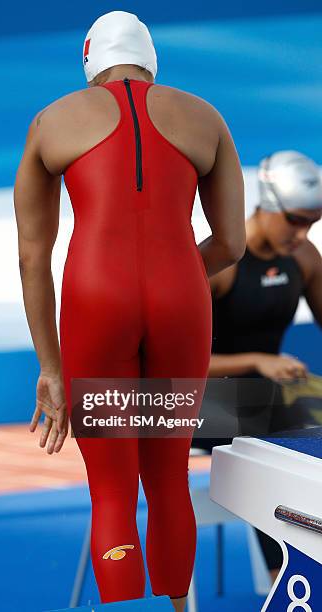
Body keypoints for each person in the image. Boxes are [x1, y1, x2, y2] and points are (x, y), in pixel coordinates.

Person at [13, 10, 245, 611]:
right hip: (179, 296)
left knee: (111, 491)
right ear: (150, 59)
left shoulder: (52, 121)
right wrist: (172, 274)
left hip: (95, 297)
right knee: (169, 478)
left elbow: (33, 259)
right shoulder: (205, 117)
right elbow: (231, 244)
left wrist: (51, 368)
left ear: (89, 61)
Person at [197, 150, 322, 583]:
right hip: (193, 403)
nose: (303, 232)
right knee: (278, 431)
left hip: (263, 404)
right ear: (266, 205)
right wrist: (256, 360)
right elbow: (168, 363)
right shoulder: (221, 265)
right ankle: (287, 579)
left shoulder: (304, 259)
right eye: (295, 219)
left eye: (313, 221)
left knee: (293, 415)